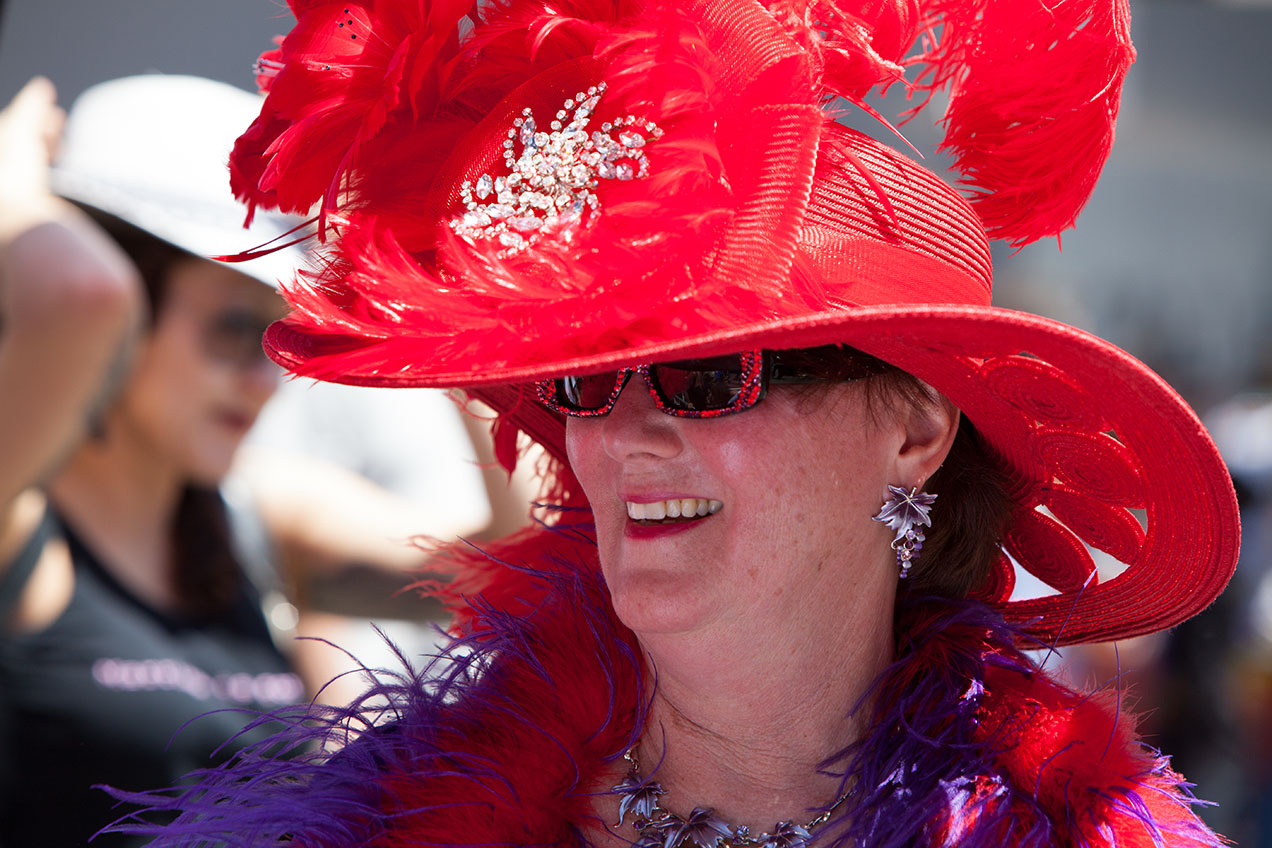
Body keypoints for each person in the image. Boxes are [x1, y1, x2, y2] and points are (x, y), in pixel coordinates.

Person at [104, 1, 1239, 846]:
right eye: (590, 383)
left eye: (709, 378)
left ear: (915, 429)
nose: (623, 435)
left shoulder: (1069, 830)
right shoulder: (402, 818)